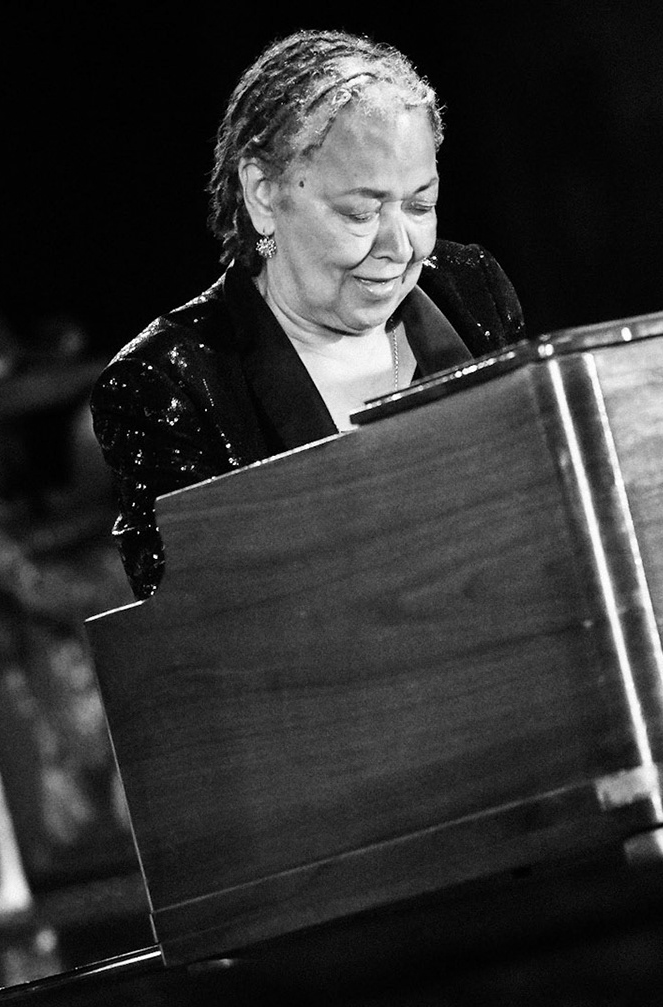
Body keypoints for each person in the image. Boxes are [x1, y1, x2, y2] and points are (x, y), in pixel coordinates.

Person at [91, 30, 526, 598]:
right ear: (263, 194)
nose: (400, 246)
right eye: (359, 213)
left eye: (421, 205)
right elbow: (201, 629)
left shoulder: (471, 290)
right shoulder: (169, 385)